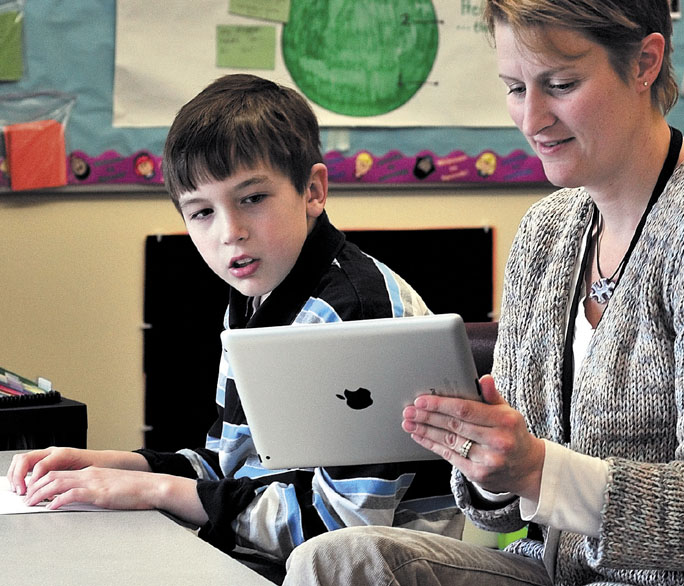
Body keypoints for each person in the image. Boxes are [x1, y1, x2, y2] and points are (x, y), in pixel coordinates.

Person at [283, 1, 684, 584]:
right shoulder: (545, 232)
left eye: (560, 84)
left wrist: (538, 471)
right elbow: (498, 512)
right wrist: (484, 459)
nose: (531, 119)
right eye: (513, 87)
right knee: (335, 561)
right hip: (553, 571)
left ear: (645, 63)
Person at [5, 74, 463, 582]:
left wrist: (152, 492)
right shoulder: (258, 293)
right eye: (201, 212)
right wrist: (113, 466)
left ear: (313, 190)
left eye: (252, 199)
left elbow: (337, 528)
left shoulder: (353, 311)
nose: (230, 233)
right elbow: (235, 469)